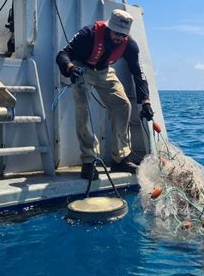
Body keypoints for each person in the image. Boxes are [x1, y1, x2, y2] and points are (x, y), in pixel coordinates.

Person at [56, 9, 154, 180]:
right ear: (109, 27)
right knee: (83, 108)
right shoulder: (88, 33)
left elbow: (138, 74)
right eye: (115, 32)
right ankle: (89, 161)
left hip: (104, 71)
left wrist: (145, 101)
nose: (117, 37)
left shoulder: (130, 46)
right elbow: (62, 54)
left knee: (123, 104)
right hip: (81, 68)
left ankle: (120, 158)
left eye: (122, 34)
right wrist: (70, 68)